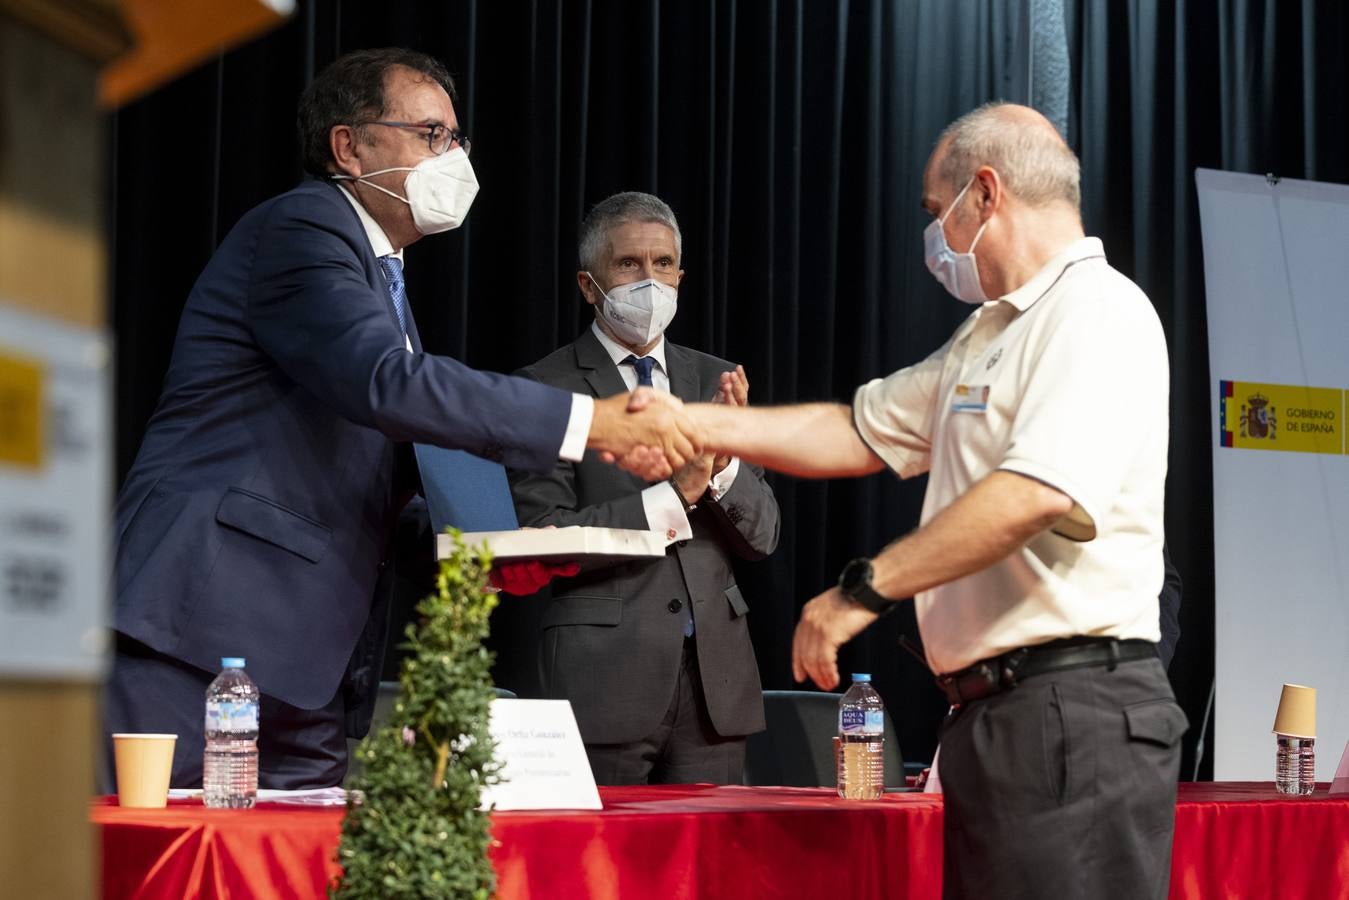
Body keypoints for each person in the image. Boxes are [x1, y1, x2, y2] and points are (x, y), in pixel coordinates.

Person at [104, 48, 701, 791]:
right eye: (429, 134)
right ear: (349, 146)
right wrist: (593, 422)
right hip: (201, 636)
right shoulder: (302, 229)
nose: (452, 157)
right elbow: (387, 383)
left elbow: (366, 475)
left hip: (311, 668)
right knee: (154, 862)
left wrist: (487, 550)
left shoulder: (382, 277)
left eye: (455, 138)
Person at [638, 103, 1188, 897]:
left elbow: (1029, 494)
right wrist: (686, 418)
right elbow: (856, 431)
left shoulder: (1094, 312)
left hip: (1074, 706)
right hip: (998, 715)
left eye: (938, 212)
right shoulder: (989, 334)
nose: (933, 238)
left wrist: (860, 593)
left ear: (986, 193)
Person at [507, 192, 780, 784]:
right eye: (629, 265)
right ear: (588, 285)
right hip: (601, 682)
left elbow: (764, 536)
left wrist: (725, 468)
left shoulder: (717, 378)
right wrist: (674, 495)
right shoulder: (541, 387)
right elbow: (546, 535)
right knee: (597, 873)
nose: (649, 280)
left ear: (681, 276)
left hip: (716, 689)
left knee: (709, 873)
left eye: (662, 265)